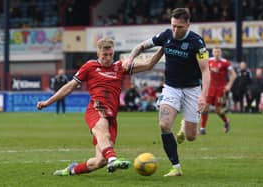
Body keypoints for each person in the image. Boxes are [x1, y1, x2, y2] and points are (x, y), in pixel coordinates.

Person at [37, 38, 164, 176]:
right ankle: (113, 158)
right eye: (105, 55)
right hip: (96, 108)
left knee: (99, 161)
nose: (108, 58)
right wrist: (48, 102)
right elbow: (70, 87)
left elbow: (149, 64)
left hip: (112, 115)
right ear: (98, 53)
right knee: (103, 130)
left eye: (111, 55)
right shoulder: (89, 66)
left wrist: (164, 47)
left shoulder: (120, 67)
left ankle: (72, 169)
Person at [124, 8, 210, 177]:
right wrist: (129, 59)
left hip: (192, 90)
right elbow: (141, 46)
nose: (175, 30)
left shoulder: (197, 43)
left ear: (188, 24)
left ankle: (185, 126)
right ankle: (176, 167)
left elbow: (206, 71)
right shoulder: (166, 36)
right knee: (164, 125)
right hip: (171, 87)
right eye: (173, 26)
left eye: (179, 27)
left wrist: (203, 96)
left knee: (192, 137)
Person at [199, 47, 236, 135]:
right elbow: (203, 70)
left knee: (217, 110)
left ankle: (226, 120)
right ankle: (202, 128)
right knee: (205, 107)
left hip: (220, 88)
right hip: (210, 87)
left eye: (218, 52)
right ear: (212, 52)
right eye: (215, 51)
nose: (217, 53)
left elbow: (233, 75)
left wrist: (229, 85)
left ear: (221, 53)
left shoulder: (225, 63)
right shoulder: (208, 61)